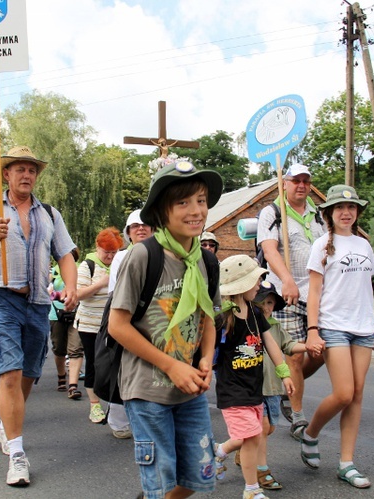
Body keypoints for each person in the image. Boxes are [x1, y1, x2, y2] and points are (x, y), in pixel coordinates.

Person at [0, 145, 78, 487]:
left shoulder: (50, 214)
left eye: (32, 170)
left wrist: (70, 287)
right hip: (2, 299)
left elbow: (66, 254)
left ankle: (4, 425)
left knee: (27, 375)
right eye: (19, 169)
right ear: (6, 175)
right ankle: (17, 454)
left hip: (40, 304)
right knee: (9, 375)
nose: (27, 175)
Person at [109, 158, 223, 499]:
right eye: (183, 202)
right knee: (160, 482)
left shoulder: (206, 261)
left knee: (197, 478)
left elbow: (209, 317)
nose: (196, 210)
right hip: (148, 389)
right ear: (162, 210)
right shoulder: (143, 256)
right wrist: (171, 365)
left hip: (189, 389)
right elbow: (117, 325)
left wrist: (205, 359)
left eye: (201, 200)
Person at [299, 185, 374, 489]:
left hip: (364, 327)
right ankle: (311, 433)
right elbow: (315, 292)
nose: (346, 212)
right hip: (333, 326)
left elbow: (365, 288)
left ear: (357, 212)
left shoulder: (364, 244)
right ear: (329, 213)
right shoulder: (321, 245)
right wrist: (313, 329)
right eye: (340, 208)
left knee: (357, 395)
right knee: (344, 392)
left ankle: (346, 463)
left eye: (352, 207)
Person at [213, 255, 294, 499]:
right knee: (251, 436)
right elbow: (206, 351)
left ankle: (218, 451)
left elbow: (271, 345)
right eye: (256, 281)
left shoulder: (256, 313)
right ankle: (251, 489)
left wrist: (284, 374)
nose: (259, 285)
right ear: (241, 285)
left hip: (254, 388)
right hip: (232, 390)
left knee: (248, 435)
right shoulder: (222, 319)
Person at [257, 163, 326, 439]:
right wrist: (285, 278)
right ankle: (298, 417)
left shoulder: (320, 215)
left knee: (321, 350)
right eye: (295, 180)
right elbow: (269, 249)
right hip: (285, 294)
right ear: (284, 183)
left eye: (306, 181)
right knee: (295, 354)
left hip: (318, 295)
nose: (301, 185)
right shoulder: (272, 212)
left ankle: (289, 383)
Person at [233, 280, 305, 491]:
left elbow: (288, 345)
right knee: (261, 429)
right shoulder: (245, 324)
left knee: (269, 428)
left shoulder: (274, 326)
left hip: (272, 387)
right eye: (262, 302)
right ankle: (261, 471)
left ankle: (237, 450)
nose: (266, 307)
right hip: (252, 388)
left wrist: (308, 346)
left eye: (271, 303)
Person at [106, 209, 153, 439]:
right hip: (126, 317)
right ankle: (118, 420)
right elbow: (115, 291)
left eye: (145, 225)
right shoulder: (121, 257)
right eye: (135, 226)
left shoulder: (161, 254)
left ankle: (146, 419)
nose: (141, 229)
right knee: (121, 367)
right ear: (129, 233)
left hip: (153, 319)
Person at [74, 227, 123, 424]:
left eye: (114, 252)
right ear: (98, 248)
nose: (110, 257)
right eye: (107, 252)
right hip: (90, 325)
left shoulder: (120, 264)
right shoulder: (88, 266)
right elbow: (79, 294)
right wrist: (102, 283)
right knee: (95, 364)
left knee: (114, 365)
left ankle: (114, 404)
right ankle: (94, 404)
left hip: (113, 324)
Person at [48, 248, 80, 395]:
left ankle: (73, 385)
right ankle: (62, 376)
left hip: (76, 313)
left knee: (75, 349)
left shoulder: (80, 270)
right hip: (56, 314)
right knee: (59, 348)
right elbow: (46, 289)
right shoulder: (53, 272)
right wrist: (53, 294)